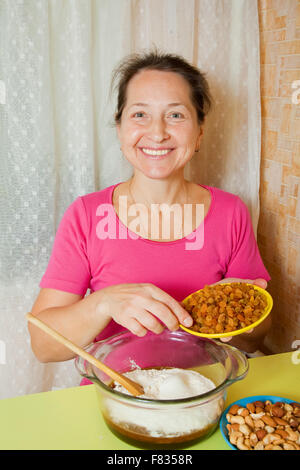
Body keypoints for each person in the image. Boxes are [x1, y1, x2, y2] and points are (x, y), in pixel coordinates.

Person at [28, 51, 271, 378]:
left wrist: (243, 313)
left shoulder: (231, 212)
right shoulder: (86, 215)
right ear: (120, 128)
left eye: (175, 115)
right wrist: (103, 303)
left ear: (199, 133)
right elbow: (43, 346)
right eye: (140, 114)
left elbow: (257, 337)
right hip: (116, 395)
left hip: (203, 394)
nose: (157, 133)